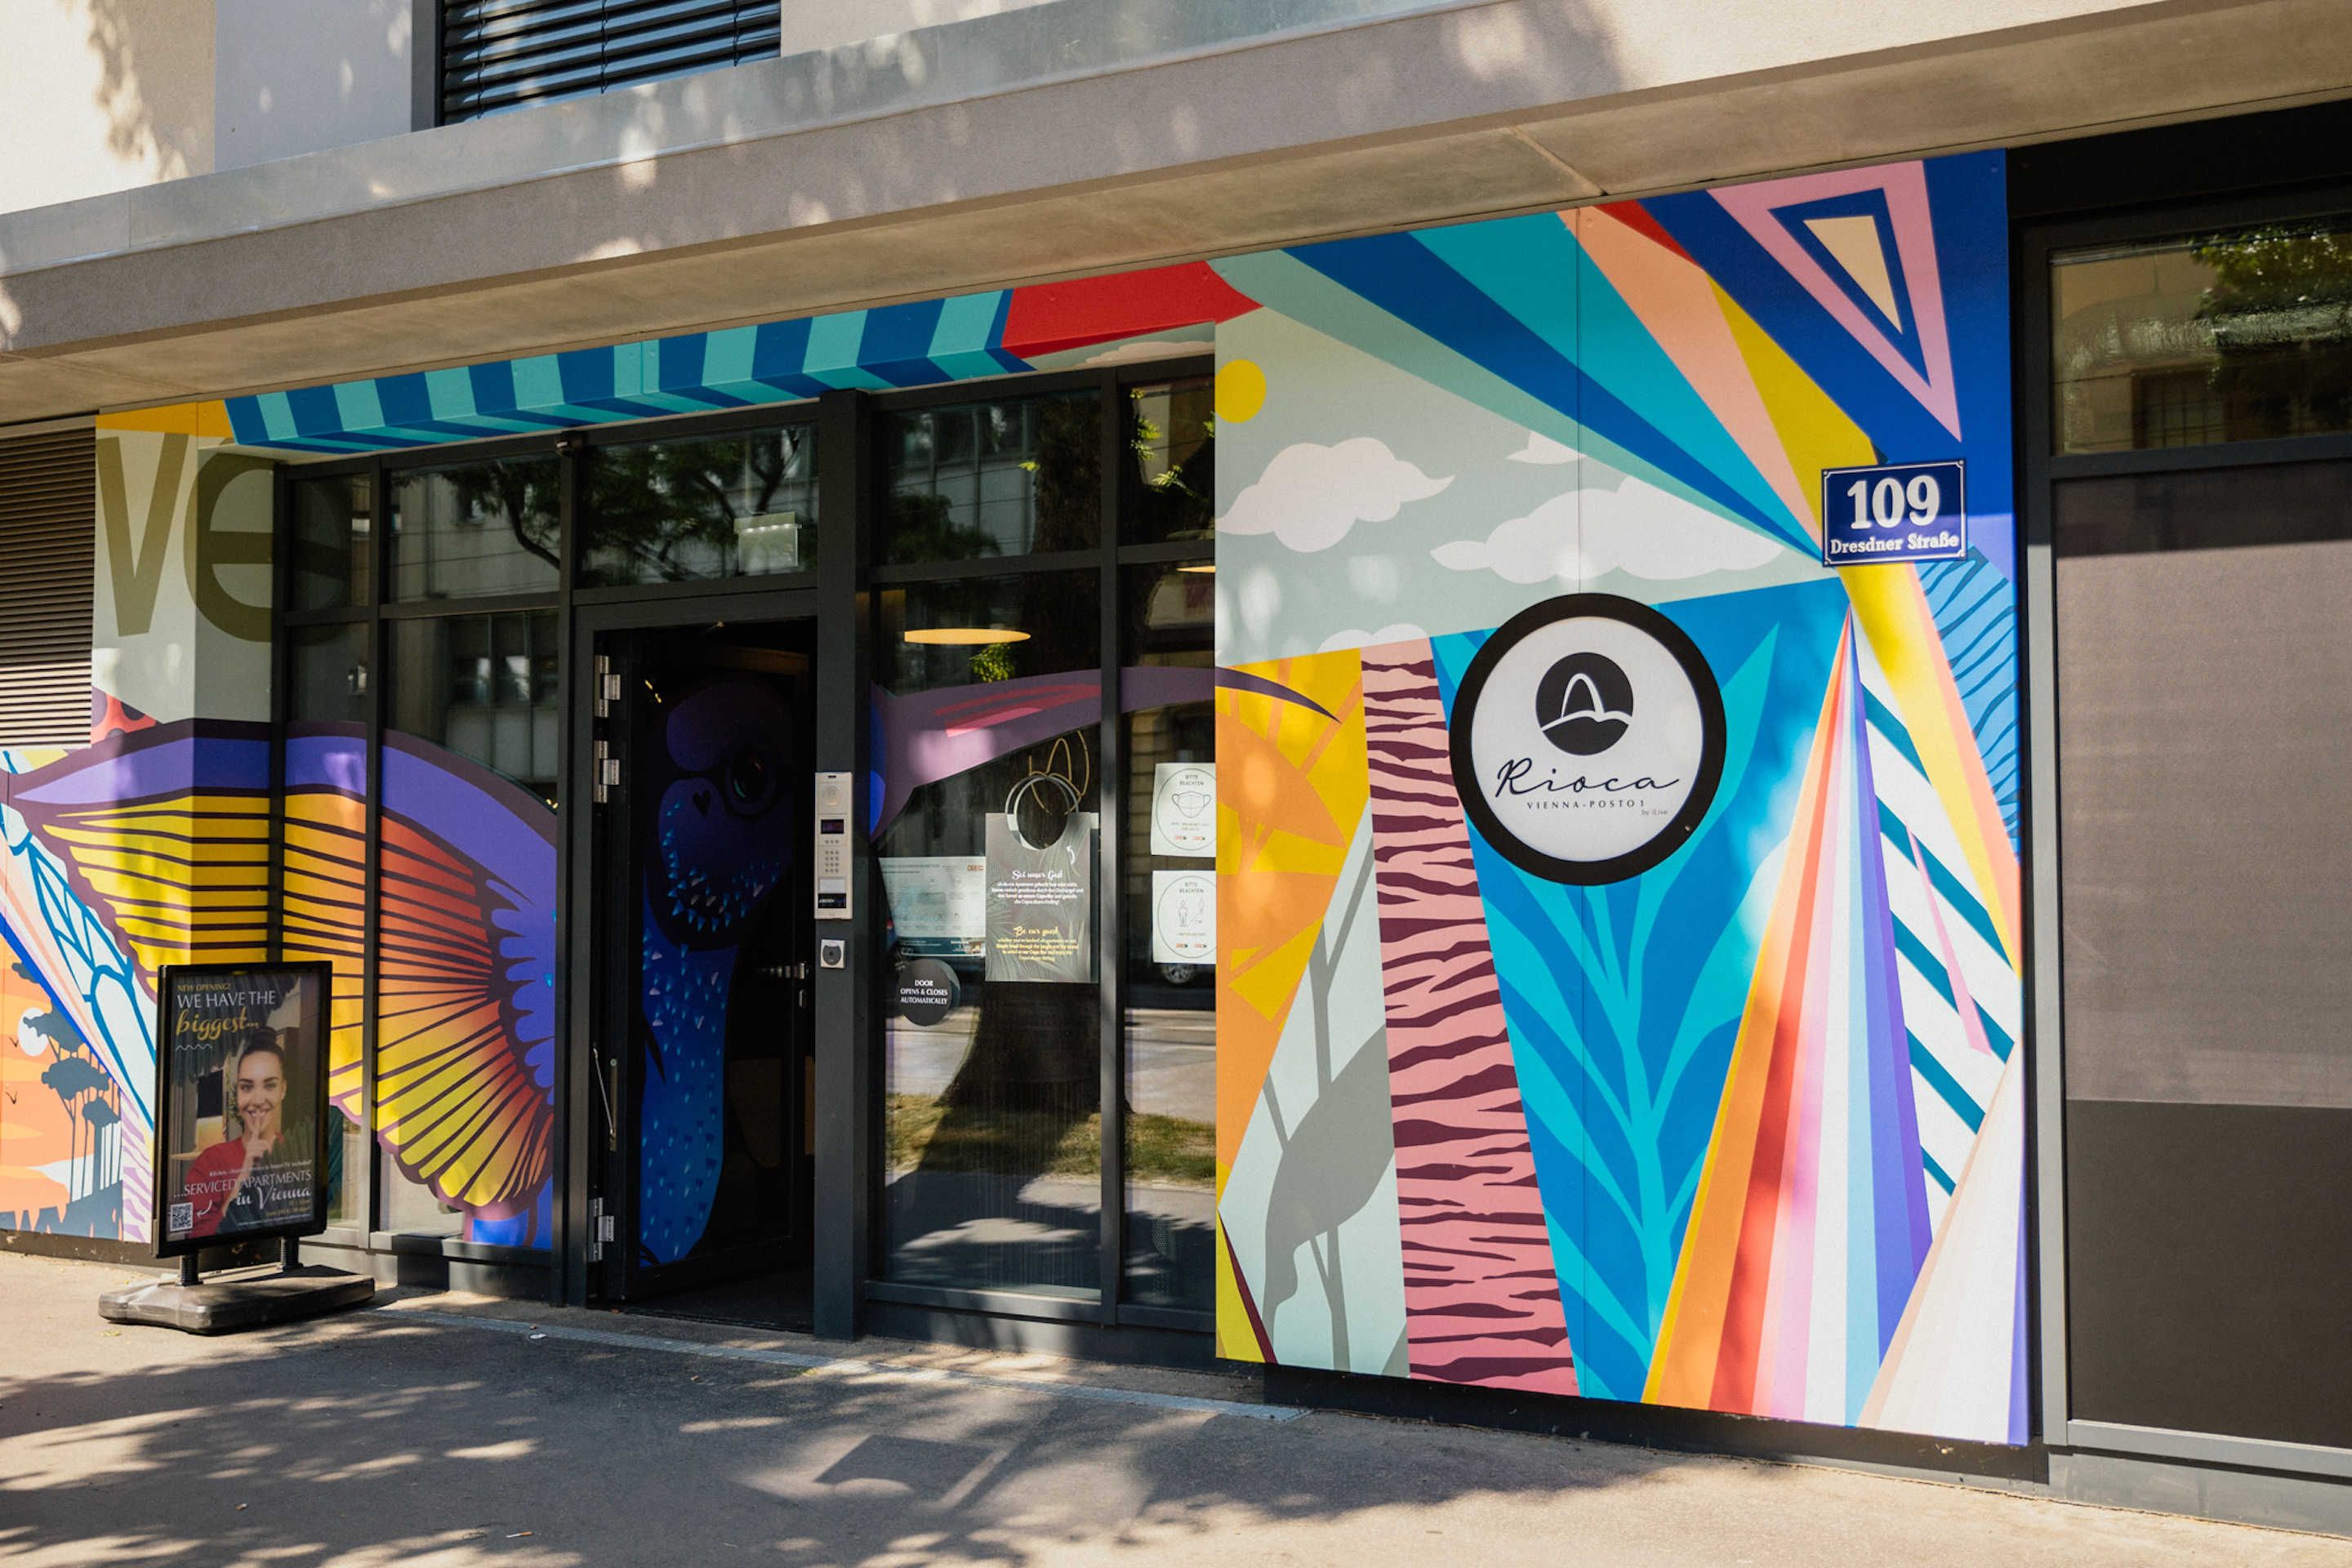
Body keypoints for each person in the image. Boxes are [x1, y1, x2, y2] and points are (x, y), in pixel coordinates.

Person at [183, 1031, 306, 1238]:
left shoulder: (299, 1154)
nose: (257, 1100)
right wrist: (243, 1180)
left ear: (283, 1090)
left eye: (270, 1085)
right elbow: (196, 1236)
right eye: (247, 1087)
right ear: (237, 1094)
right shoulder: (211, 1162)